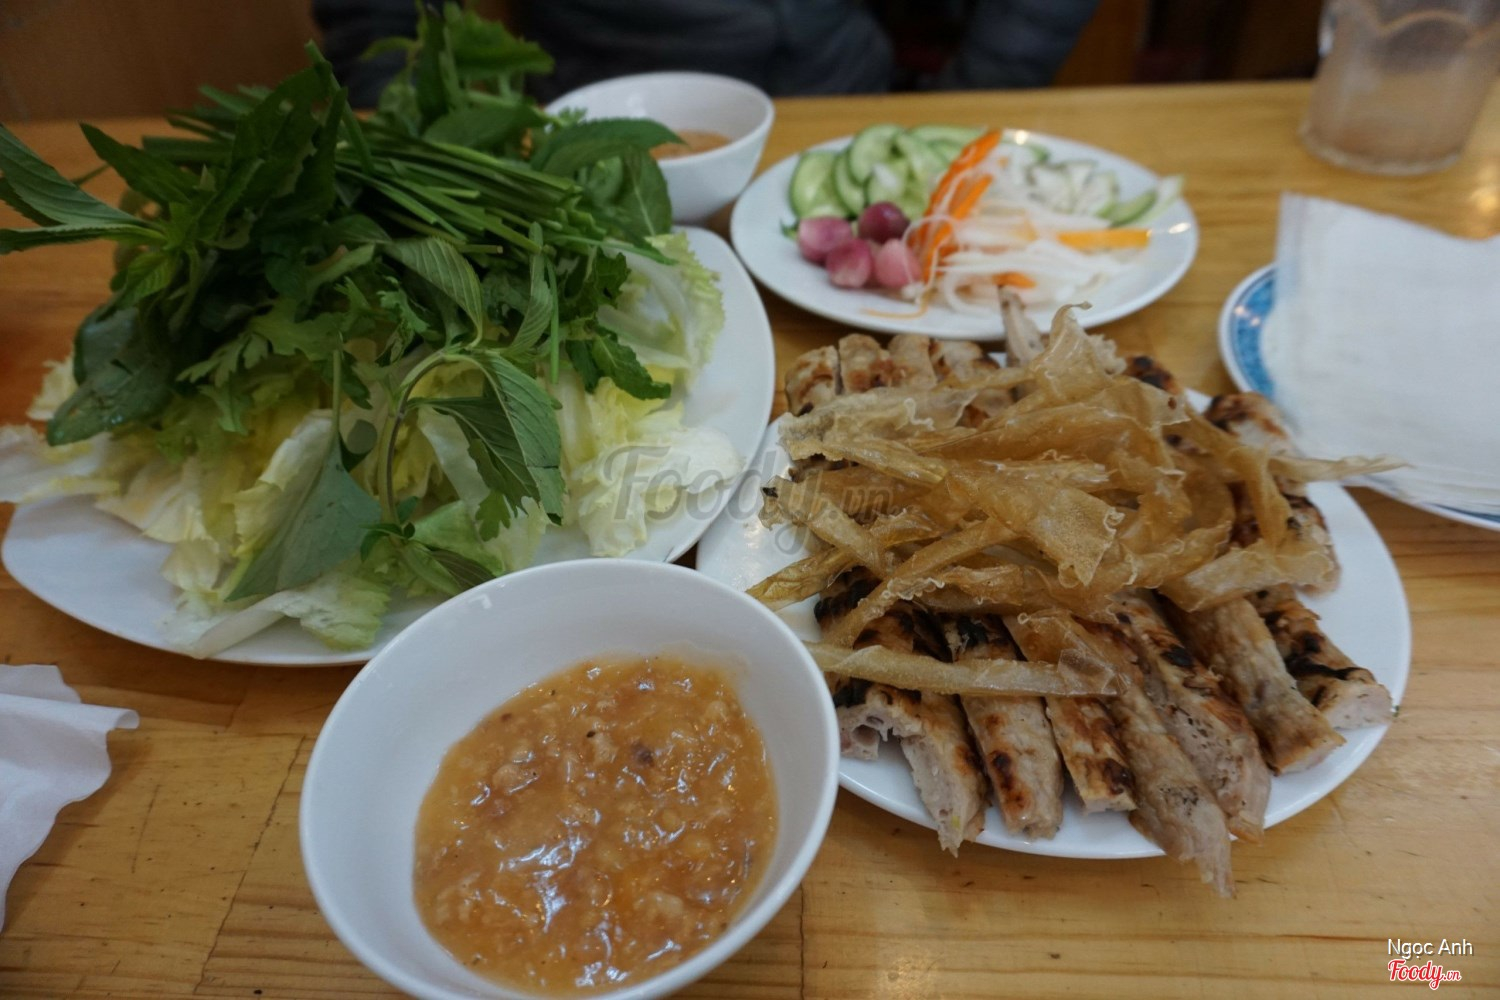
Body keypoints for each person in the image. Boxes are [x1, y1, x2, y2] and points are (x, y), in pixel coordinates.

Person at [314, 0, 1101, 106]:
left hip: (840, 101)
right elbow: (376, 18)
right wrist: (405, 128)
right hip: (587, 117)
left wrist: (978, 90)